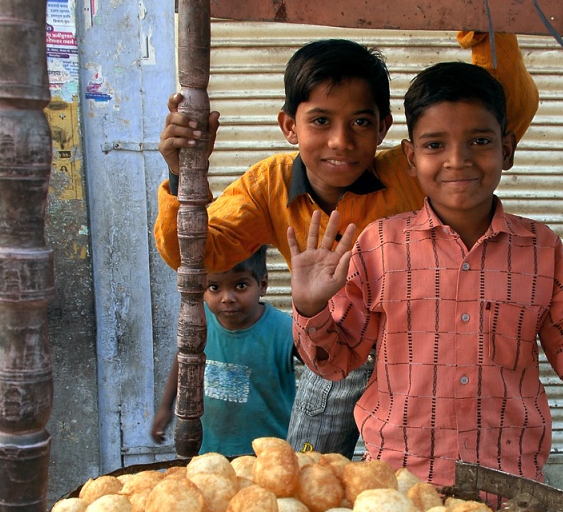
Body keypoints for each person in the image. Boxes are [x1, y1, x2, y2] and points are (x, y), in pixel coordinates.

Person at [154, 35, 539, 458]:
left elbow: (507, 110)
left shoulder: (411, 172)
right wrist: (181, 177)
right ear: (289, 126)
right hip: (331, 354)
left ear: (383, 127)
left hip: (420, 361)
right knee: (307, 476)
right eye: (320, 121)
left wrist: (488, 31)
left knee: (413, 484)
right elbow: (195, 254)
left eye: (360, 122)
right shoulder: (269, 185)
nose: (341, 141)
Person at [289, 61, 563, 488]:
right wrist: (311, 307)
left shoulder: (540, 249)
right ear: (410, 157)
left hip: (509, 484)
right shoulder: (379, 244)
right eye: (435, 145)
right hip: (400, 482)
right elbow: (338, 363)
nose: (457, 161)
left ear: (507, 150)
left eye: (479, 141)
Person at [151, 247, 296, 458]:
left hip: (268, 455)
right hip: (210, 452)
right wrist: (166, 407)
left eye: (240, 285)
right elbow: (183, 364)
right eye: (214, 287)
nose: (227, 297)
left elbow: (326, 367)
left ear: (262, 284)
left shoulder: (285, 329)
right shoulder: (200, 325)